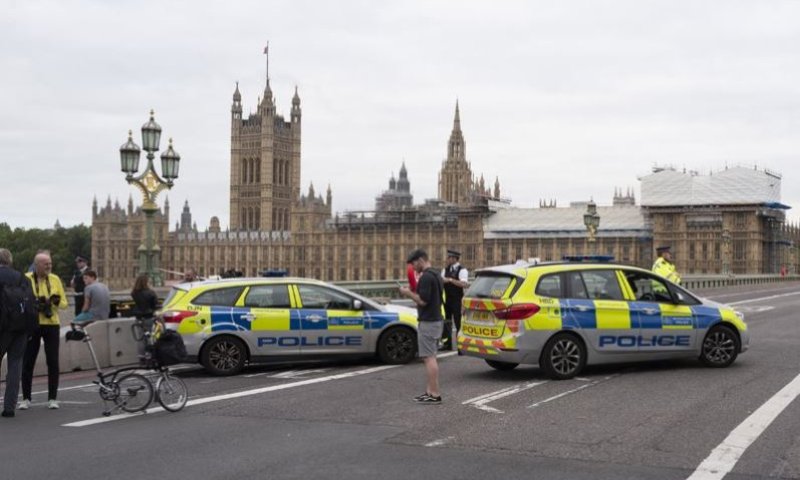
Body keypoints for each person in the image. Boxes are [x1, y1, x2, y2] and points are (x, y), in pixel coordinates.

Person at [20, 252, 68, 410]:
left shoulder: (55, 279)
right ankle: (26, 398)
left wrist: (54, 301)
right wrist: (34, 304)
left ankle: (53, 398)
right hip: (32, 324)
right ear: (36, 265)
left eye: (50, 263)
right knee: (28, 361)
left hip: (51, 323)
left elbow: (65, 304)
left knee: (53, 361)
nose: (49, 266)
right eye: (46, 264)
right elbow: (20, 299)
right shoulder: (26, 278)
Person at [399, 248, 444, 404]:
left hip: (429, 322)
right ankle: (430, 391)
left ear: (420, 261)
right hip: (436, 320)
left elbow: (423, 301)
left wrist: (407, 293)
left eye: (413, 264)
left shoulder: (425, 278)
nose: (413, 268)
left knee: (429, 358)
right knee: (431, 357)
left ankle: (435, 394)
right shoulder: (437, 274)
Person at [0, 248, 35, 418]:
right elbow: (31, 303)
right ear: (10, 260)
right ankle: (9, 408)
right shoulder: (22, 277)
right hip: (20, 327)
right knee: (15, 365)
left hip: (2, 328)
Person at [440, 249, 469, 351]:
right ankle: (447, 344)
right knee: (447, 322)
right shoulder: (445, 269)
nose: (447, 259)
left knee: (458, 324)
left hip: (457, 300)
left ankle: (460, 346)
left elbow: (464, 284)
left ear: (454, 258)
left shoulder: (462, 270)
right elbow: (441, 281)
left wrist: (451, 280)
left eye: (449, 257)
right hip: (447, 300)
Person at [130, 274, 158, 364]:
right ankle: (149, 356)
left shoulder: (134, 293)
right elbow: (155, 305)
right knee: (149, 337)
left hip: (138, 318)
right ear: (146, 282)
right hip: (148, 317)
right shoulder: (151, 293)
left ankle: (141, 357)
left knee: (141, 338)